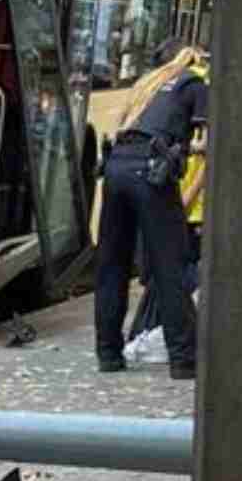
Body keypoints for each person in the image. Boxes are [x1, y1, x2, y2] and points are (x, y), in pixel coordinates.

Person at [94, 38, 209, 380]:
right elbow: (209, 135)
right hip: (151, 172)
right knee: (170, 265)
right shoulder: (194, 83)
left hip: (116, 167)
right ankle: (183, 359)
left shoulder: (147, 84)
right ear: (191, 59)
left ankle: (108, 354)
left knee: (112, 264)